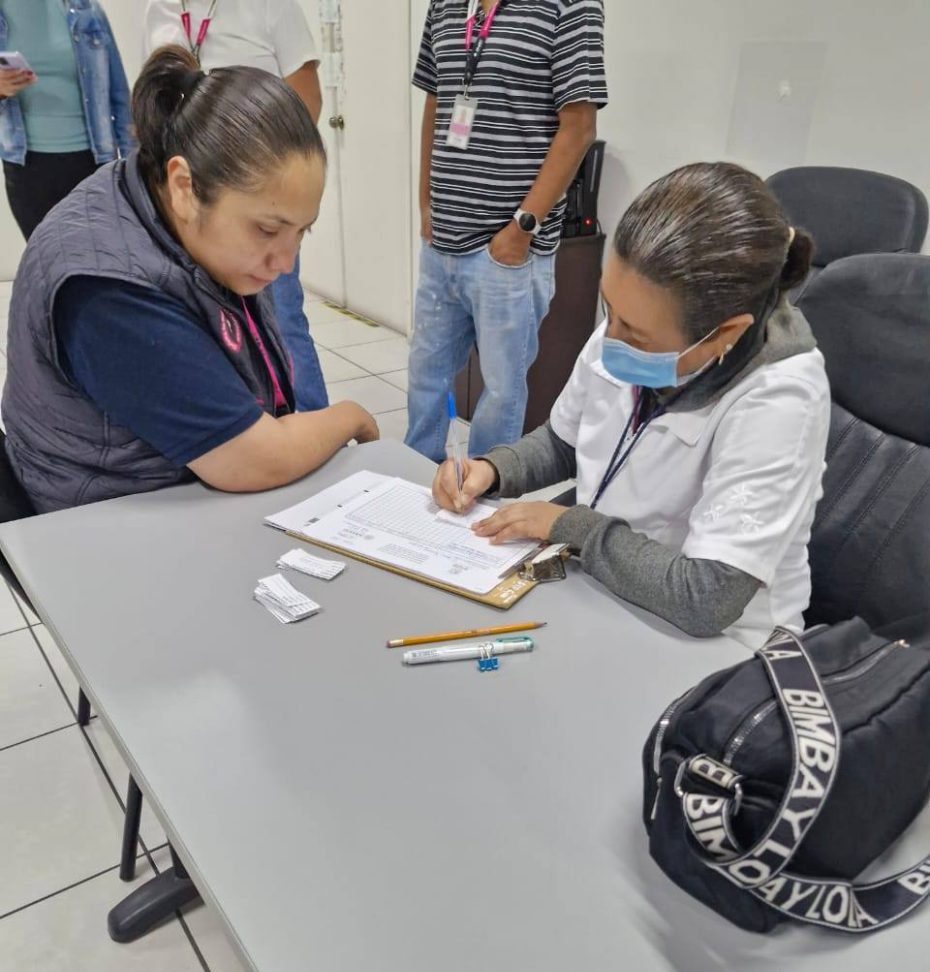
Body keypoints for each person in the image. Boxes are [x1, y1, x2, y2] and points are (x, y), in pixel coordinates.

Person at [431, 163, 831, 649]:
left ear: (724, 334)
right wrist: (493, 470)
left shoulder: (781, 399)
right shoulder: (638, 322)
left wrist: (568, 525)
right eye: (609, 310)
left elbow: (706, 597)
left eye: (634, 333)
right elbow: (565, 442)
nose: (609, 338)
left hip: (716, 645)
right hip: (607, 586)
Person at [2, 45, 377, 515]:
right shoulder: (108, 290)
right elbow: (251, 459)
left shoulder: (160, 205)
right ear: (184, 186)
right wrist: (351, 418)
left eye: (303, 232)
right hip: (108, 527)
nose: (285, 261)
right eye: (267, 229)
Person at [406, 0, 608, 463]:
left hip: (508, 249)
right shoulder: (445, 5)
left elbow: (579, 127)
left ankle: (484, 492)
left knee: (501, 388)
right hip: (443, 239)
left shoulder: (571, 6)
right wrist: (425, 201)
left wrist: (523, 228)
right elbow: (435, 102)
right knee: (426, 373)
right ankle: (413, 477)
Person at [143, 0, 327, 412]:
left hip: (249, 204)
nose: (285, 255)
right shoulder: (161, 8)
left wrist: (263, 194)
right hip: (194, 212)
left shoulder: (269, 8)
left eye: (303, 231)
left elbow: (305, 100)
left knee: (282, 318)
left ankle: (311, 420)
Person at [0, 0, 133, 240]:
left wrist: (134, 165)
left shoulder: (86, 9)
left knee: (100, 258)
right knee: (46, 263)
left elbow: (120, 96)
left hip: (93, 163)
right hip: (27, 169)